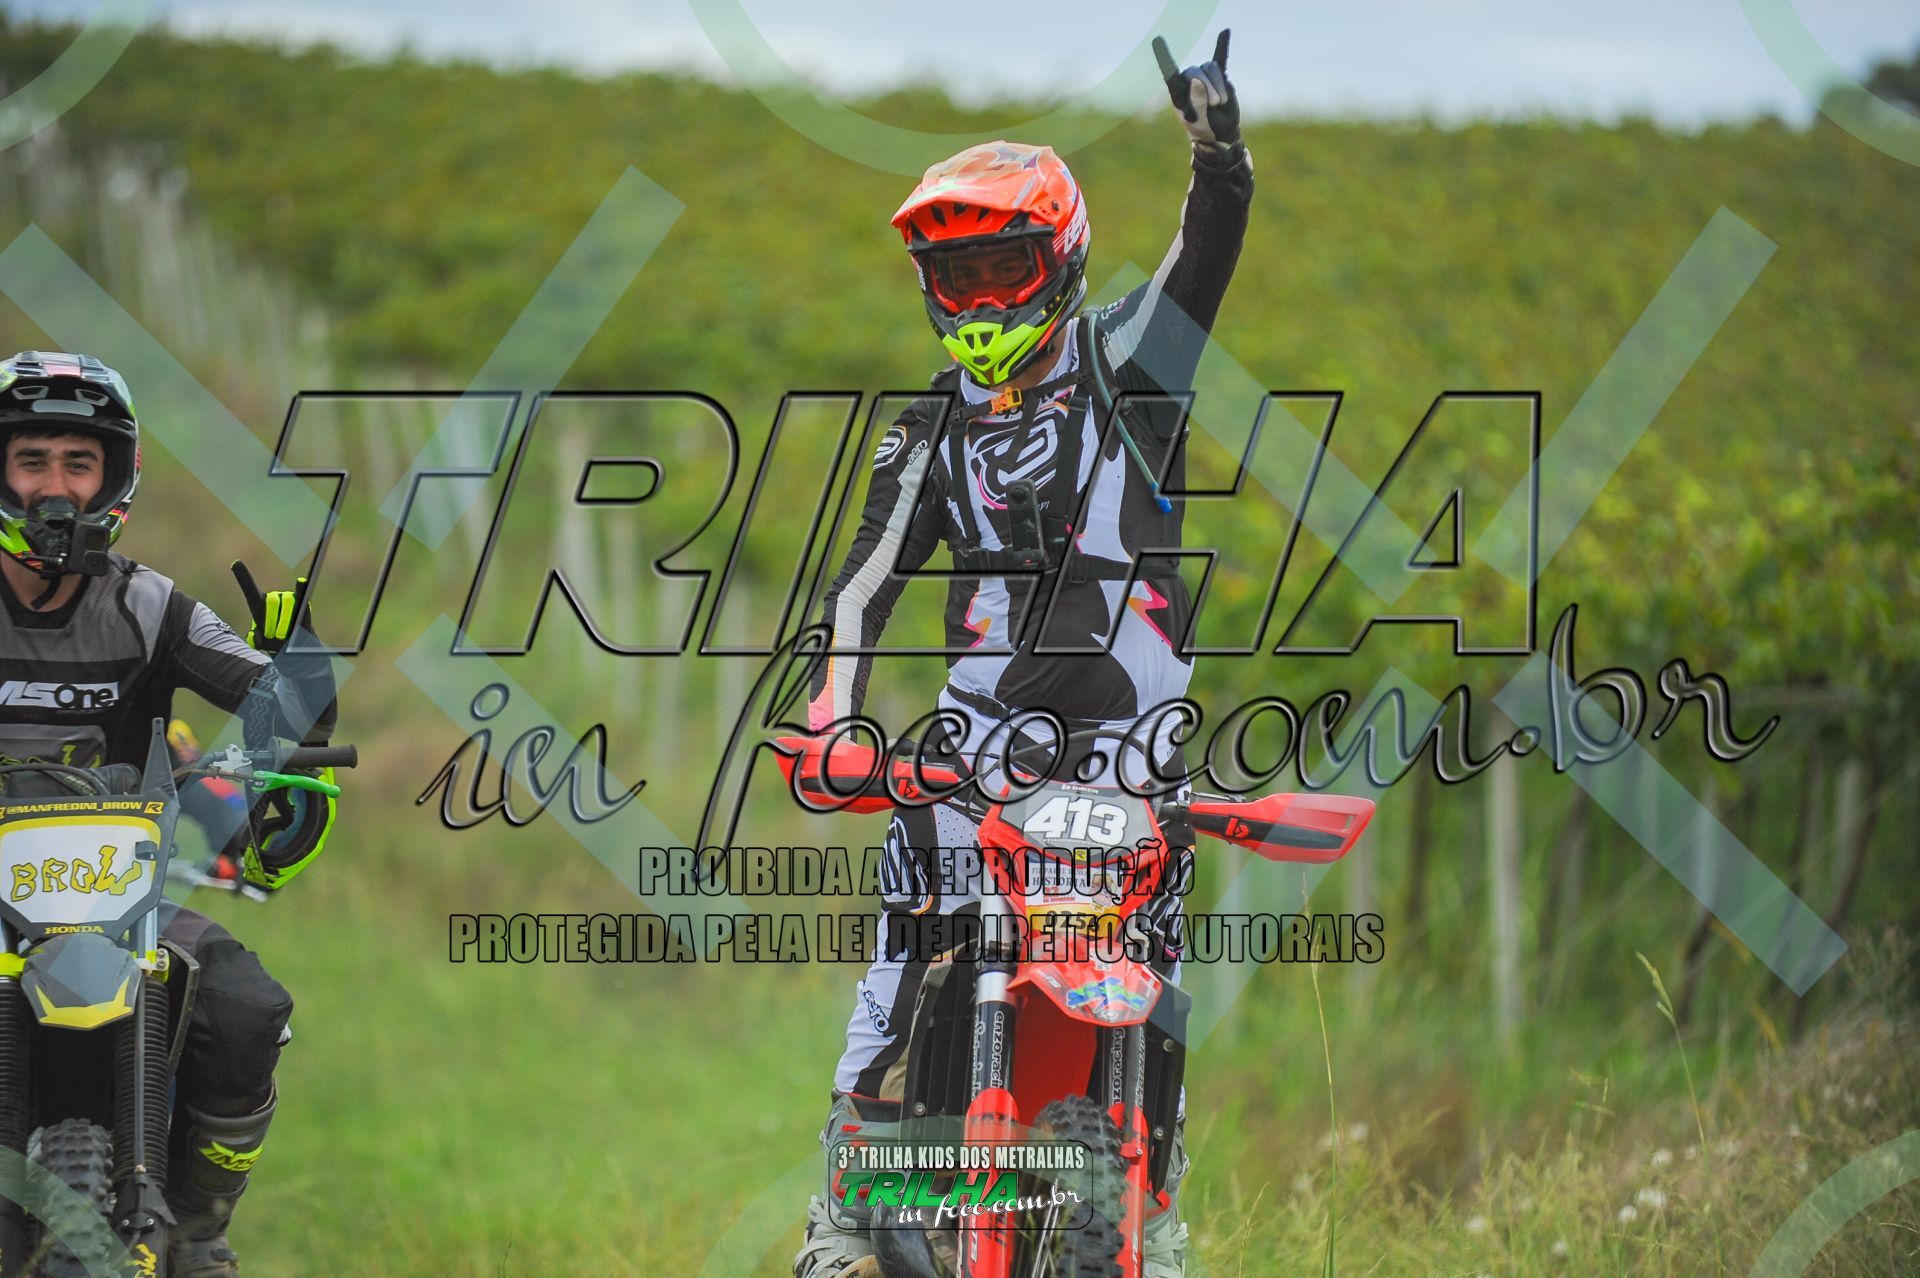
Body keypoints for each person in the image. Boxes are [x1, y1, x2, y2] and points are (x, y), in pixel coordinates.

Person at [793, 32, 1252, 1278]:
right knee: (909, 904)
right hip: (980, 754)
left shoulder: (1129, 364)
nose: (984, 301)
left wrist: (1219, 159)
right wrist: (834, 719)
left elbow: (1202, 264)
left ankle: (1151, 1200)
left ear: (1060, 262)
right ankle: (848, 1189)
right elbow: (864, 585)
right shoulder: (926, 430)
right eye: (959, 277)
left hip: (1132, 756)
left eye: (1006, 269)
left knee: (1156, 958)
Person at [0, 350, 339, 1277]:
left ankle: (193, 1228)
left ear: (114, 475)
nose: (56, 486)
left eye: (79, 462)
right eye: (32, 460)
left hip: (119, 895)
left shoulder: (149, 606)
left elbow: (282, 708)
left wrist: (298, 682)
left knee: (246, 1009)